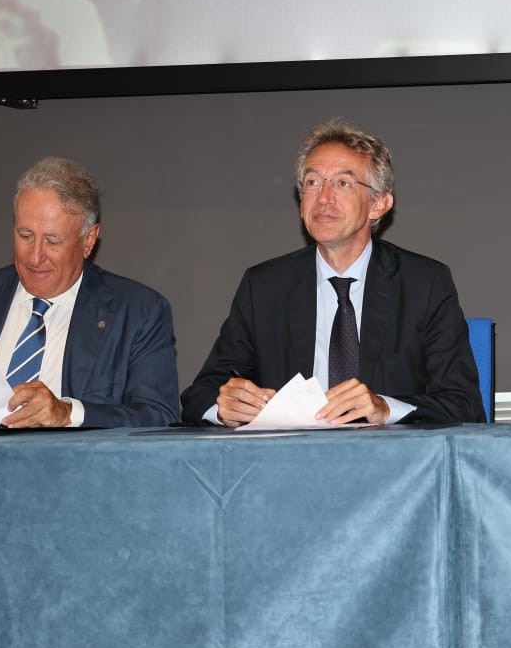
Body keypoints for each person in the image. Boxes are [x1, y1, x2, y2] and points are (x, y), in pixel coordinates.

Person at [182, 119, 485, 426]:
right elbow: (200, 395)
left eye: (343, 183)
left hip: (393, 464)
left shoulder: (424, 284)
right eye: (313, 183)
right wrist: (225, 408)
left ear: (378, 204)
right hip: (289, 461)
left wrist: (384, 408)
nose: (324, 198)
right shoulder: (264, 287)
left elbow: (463, 404)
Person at [0, 157, 179, 427]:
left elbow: (157, 415)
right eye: (25, 236)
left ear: (89, 240)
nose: (35, 257)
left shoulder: (137, 311)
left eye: (52, 241)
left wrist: (68, 413)